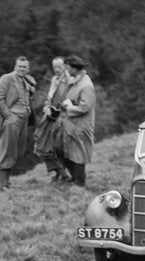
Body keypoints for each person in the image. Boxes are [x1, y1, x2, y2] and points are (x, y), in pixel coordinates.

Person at [0, 56, 36, 191]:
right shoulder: (7, 79)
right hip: (11, 120)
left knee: (17, 151)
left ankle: (7, 183)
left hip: (24, 120)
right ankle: (2, 185)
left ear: (28, 69)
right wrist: (9, 116)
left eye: (25, 67)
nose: (22, 69)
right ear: (15, 67)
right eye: (20, 66)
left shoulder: (28, 81)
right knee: (6, 150)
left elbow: (29, 98)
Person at [57, 55, 96, 187]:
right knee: (63, 150)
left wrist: (69, 107)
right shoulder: (76, 81)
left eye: (68, 67)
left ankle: (79, 182)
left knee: (79, 154)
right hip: (71, 124)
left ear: (74, 68)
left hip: (81, 125)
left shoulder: (86, 86)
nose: (66, 70)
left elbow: (85, 107)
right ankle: (74, 178)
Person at [33, 56, 71, 183]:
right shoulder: (54, 79)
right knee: (42, 145)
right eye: (54, 67)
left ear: (65, 66)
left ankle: (63, 172)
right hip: (49, 116)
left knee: (56, 146)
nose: (57, 69)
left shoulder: (69, 80)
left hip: (61, 117)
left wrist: (58, 109)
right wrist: (47, 107)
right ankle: (57, 171)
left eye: (59, 66)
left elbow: (69, 100)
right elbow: (49, 97)